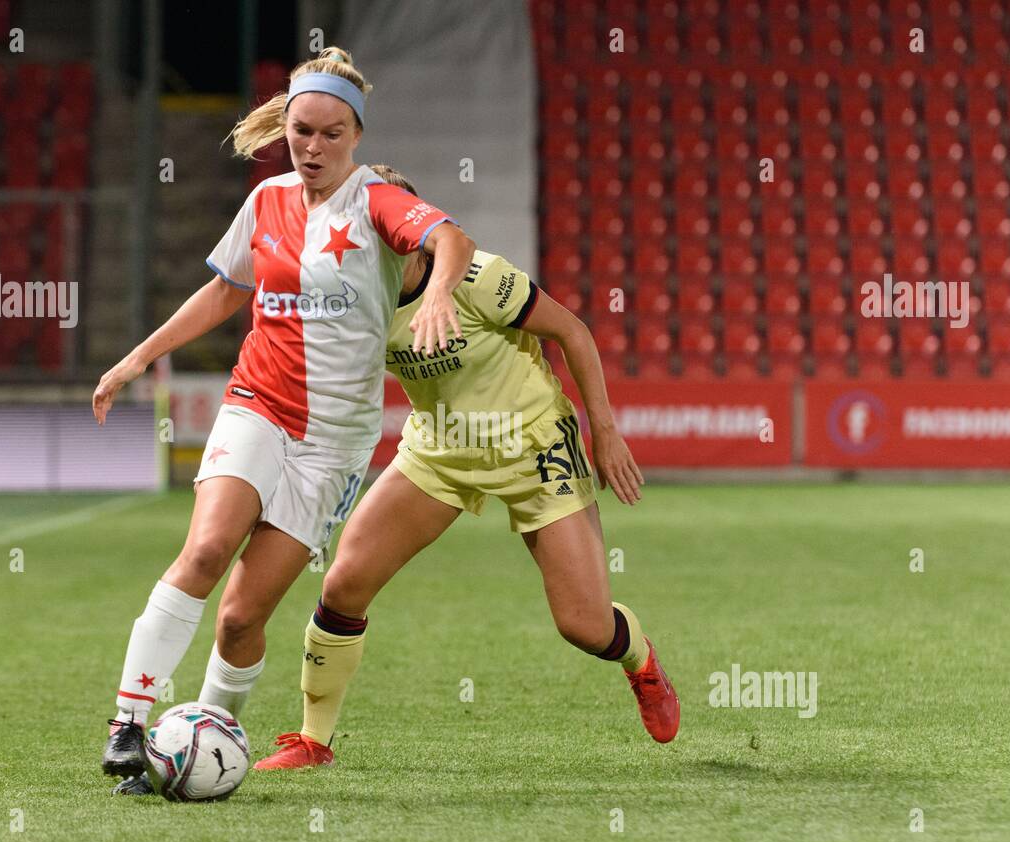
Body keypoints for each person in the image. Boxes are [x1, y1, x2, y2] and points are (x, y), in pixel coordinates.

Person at [92, 52, 475, 793]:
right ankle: (129, 723)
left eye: (332, 133)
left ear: (355, 135)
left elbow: (449, 238)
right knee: (205, 549)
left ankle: (199, 748)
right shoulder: (266, 201)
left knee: (241, 618)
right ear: (285, 129)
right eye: (302, 131)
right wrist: (137, 359)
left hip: (334, 443)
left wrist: (438, 295)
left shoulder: (375, 203)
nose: (314, 147)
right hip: (258, 406)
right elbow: (223, 293)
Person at [220, 164, 679, 770]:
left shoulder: (479, 278)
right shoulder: (354, 303)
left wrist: (605, 430)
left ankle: (640, 661)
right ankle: (313, 740)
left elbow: (572, 331)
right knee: (344, 584)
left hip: (534, 445)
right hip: (437, 451)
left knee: (585, 626)